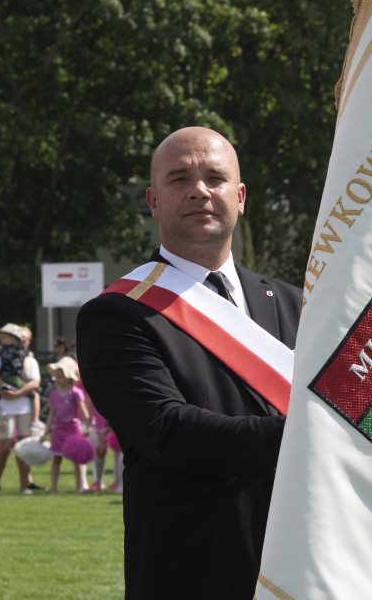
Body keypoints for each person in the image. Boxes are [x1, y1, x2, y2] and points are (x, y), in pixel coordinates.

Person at [77, 126, 301, 599]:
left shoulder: (294, 304)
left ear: (240, 198)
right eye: (179, 179)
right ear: (154, 201)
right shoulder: (117, 314)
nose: (199, 190)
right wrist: (319, 433)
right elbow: (171, 432)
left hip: (304, 567)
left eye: (215, 178)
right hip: (195, 573)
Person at [0, 323, 39, 495]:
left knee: (23, 447)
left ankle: (24, 486)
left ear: (15, 339)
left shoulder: (29, 359)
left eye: (4, 337)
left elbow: (35, 383)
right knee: (4, 446)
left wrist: (18, 393)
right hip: (4, 409)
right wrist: (4, 386)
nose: (1, 341)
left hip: (24, 409)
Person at [44, 357, 91, 494]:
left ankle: (79, 487)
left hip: (73, 430)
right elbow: (51, 415)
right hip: (58, 431)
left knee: (77, 460)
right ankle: (53, 488)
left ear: (69, 377)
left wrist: (87, 425)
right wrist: (45, 432)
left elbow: (83, 411)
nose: (57, 379)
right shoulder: (53, 394)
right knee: (56, 459)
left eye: (60, 376)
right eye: (56, 376)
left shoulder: (76, 393)